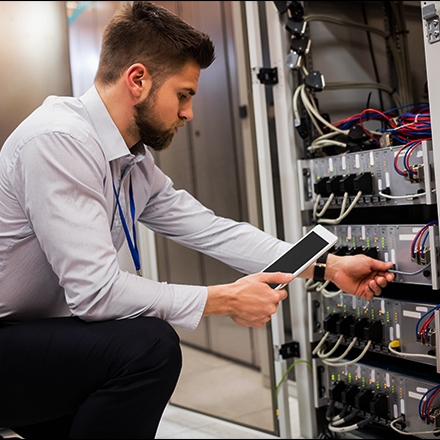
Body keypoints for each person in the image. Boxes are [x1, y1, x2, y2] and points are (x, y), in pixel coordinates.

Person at [0, 1, 394, 438]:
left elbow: (210, 229)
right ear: (137, 79)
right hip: (12, 338)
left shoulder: (130, 160)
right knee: (149, 345)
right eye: (183, 94)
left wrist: (327, 266)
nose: (189, 113)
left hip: (34, 338)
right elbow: (96, 294)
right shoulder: (60, 141)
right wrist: (224, 300)